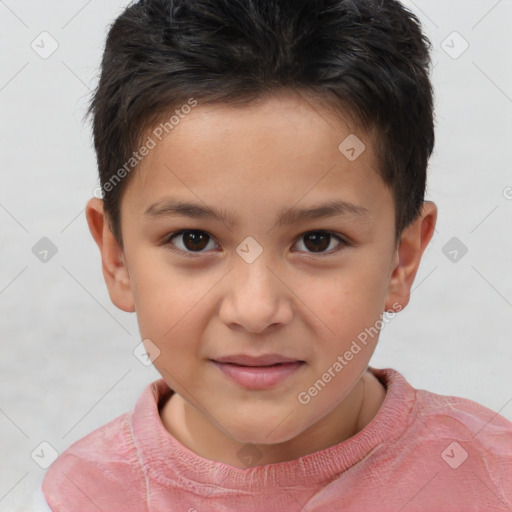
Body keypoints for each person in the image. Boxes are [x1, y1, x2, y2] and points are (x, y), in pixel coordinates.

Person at [39, 0, 512, 510]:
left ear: (403, 259)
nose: (256, 309)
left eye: (318, 241)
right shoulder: (83, 496)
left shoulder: (492, 476)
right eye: (194, 239)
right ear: (117, 259)